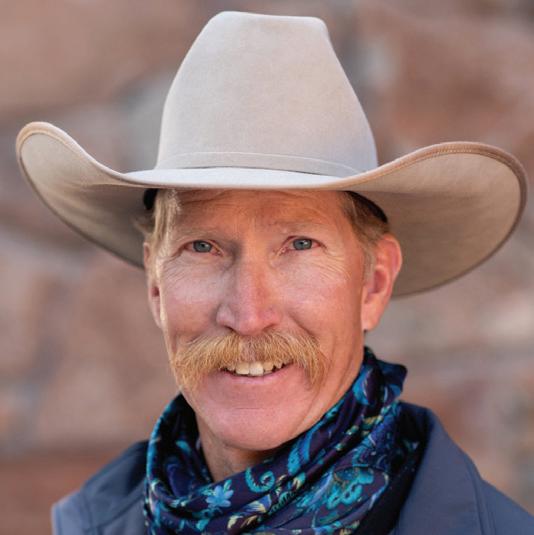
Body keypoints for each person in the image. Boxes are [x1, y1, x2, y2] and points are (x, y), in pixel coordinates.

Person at [16, 10, 534, 535]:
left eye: (300, 245)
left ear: (373, 283)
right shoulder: (97, 524)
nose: (248, 314)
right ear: (155, 283)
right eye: (202, 247)